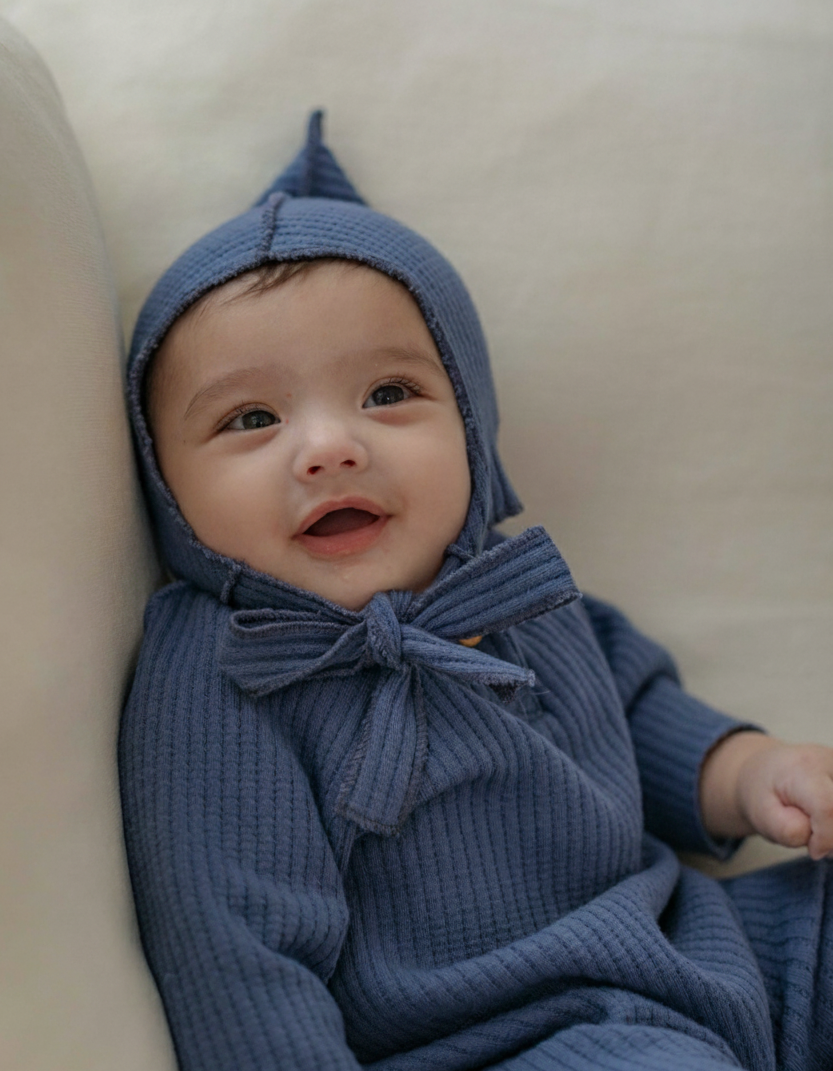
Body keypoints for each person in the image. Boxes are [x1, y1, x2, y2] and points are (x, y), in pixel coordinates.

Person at [119, 112, 833, 1071]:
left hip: (696, 949)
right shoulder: (225, 668)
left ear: (473, 426)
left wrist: (755, 774)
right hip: (502, 1040)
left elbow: (636, 708)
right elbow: (238, 958)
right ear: (166, 484)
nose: (330, 446)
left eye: (387, 394)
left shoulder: (512, 586)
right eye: (252, 417)